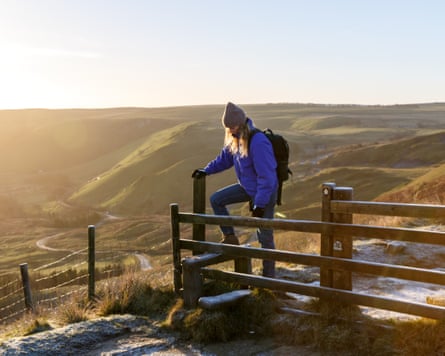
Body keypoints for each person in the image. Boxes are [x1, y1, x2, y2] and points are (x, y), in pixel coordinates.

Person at [192, 102, 278, 277]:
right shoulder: (236, 139)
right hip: (248, 188)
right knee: (217, 199)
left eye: (233, 126)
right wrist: (206, 170)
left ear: (242, 122)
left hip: (265, 192)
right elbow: (223, 159)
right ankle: (230, 238)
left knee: (265, 235)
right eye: (228, 127)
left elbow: (267, 177)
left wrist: (260, 205)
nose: (230, 130)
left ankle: (269, 280)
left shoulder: (258, 141)